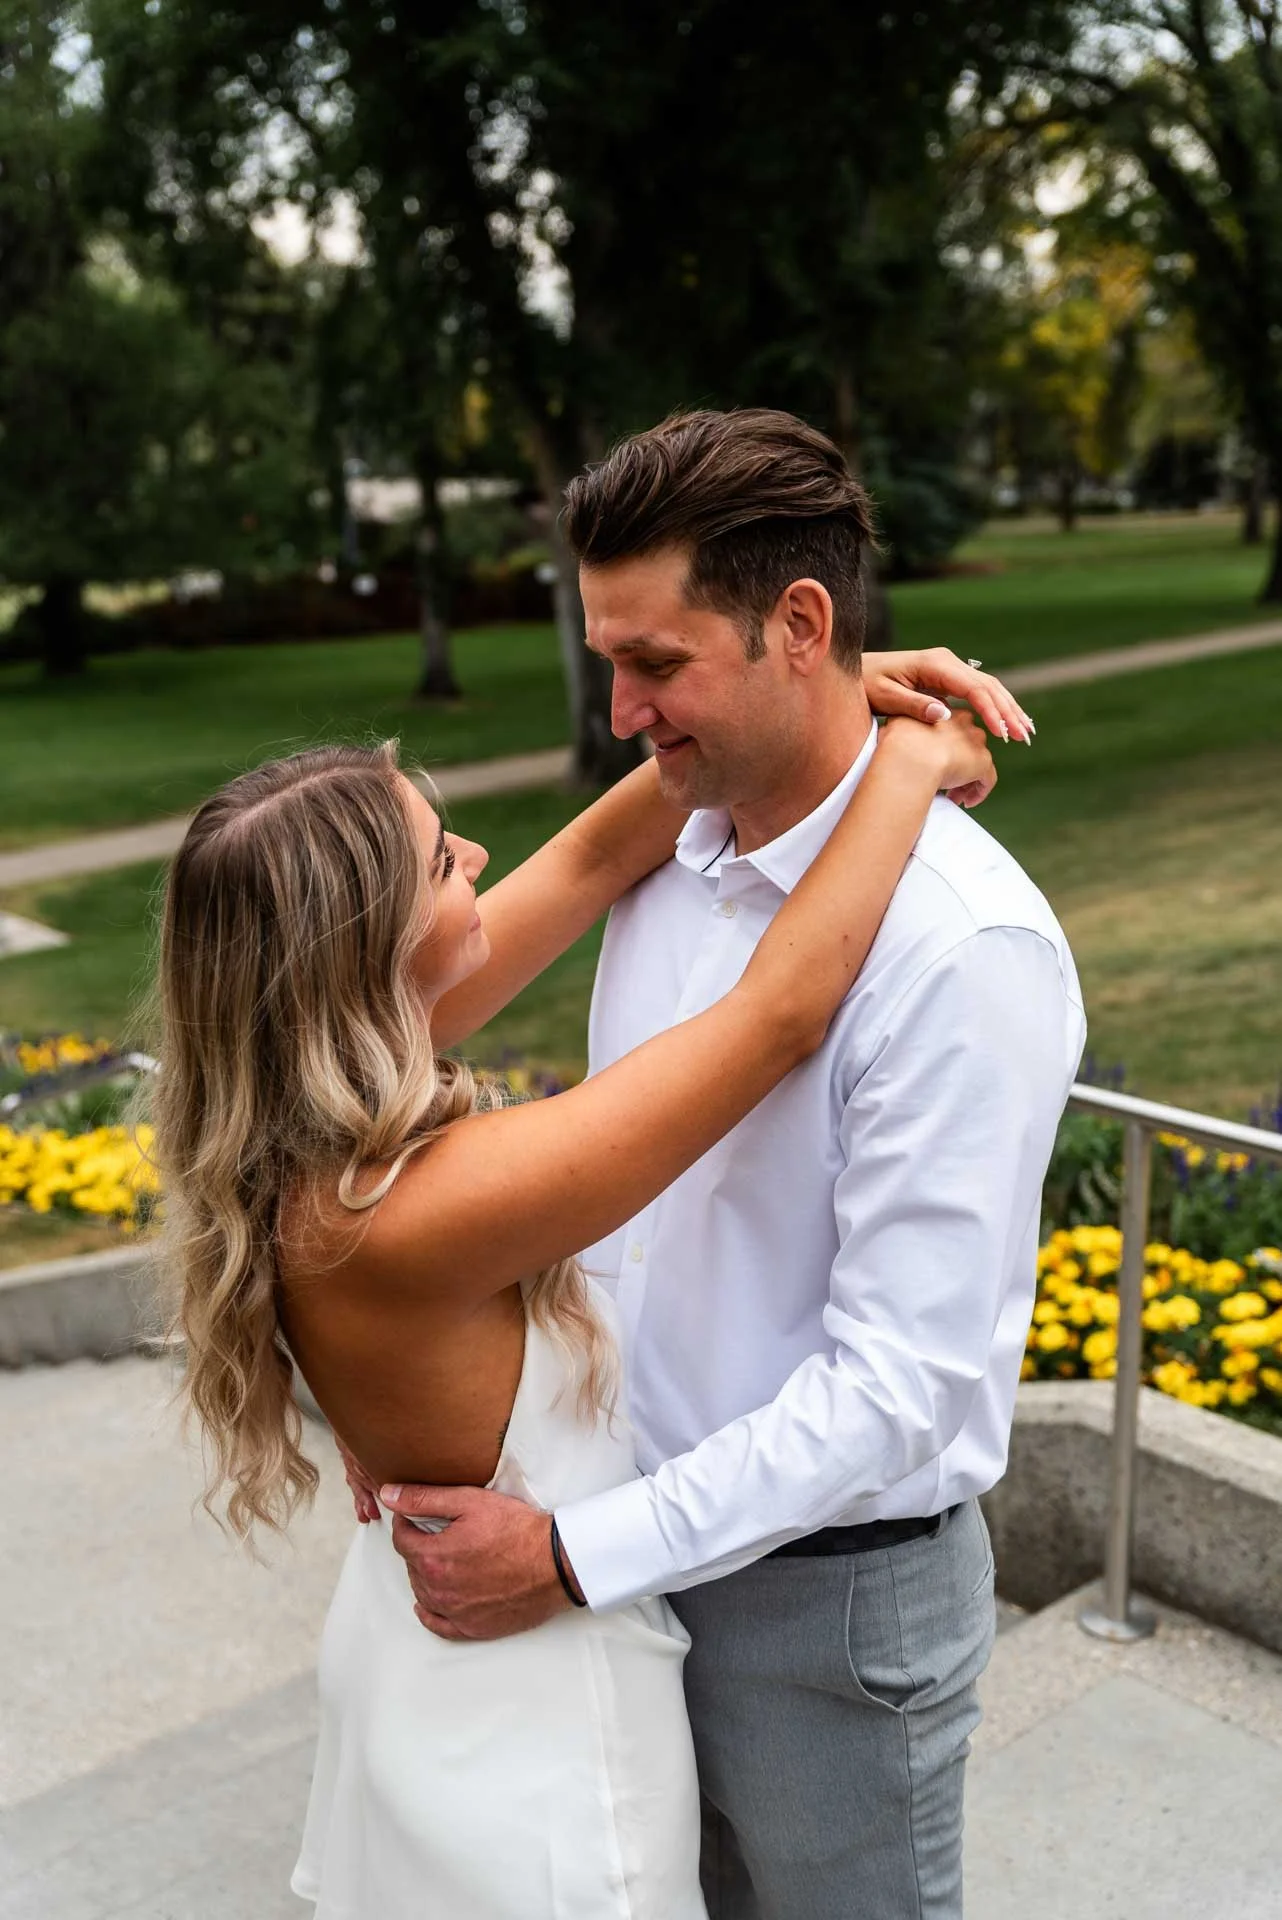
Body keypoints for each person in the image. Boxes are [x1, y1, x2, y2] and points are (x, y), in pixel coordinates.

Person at [154, 649, 1006, 1916]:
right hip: (533, 1723)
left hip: (421, 1668)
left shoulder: (300, 1131)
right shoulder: (420, 1207)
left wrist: (814, 689)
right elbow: (782, 1011)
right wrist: (913, 760)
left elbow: (603, 855)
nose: (486, 859)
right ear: (366, 944)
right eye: (442, 862)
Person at [379, 409, 1088, 1920]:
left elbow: (896, 1385)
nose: (621, 709)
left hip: (822, 1615)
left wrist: (573, 1555)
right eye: (606, 661)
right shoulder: (669, 846)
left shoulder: (959, 949)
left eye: (656, 663)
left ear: (800, 626)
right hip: (623, 1556)